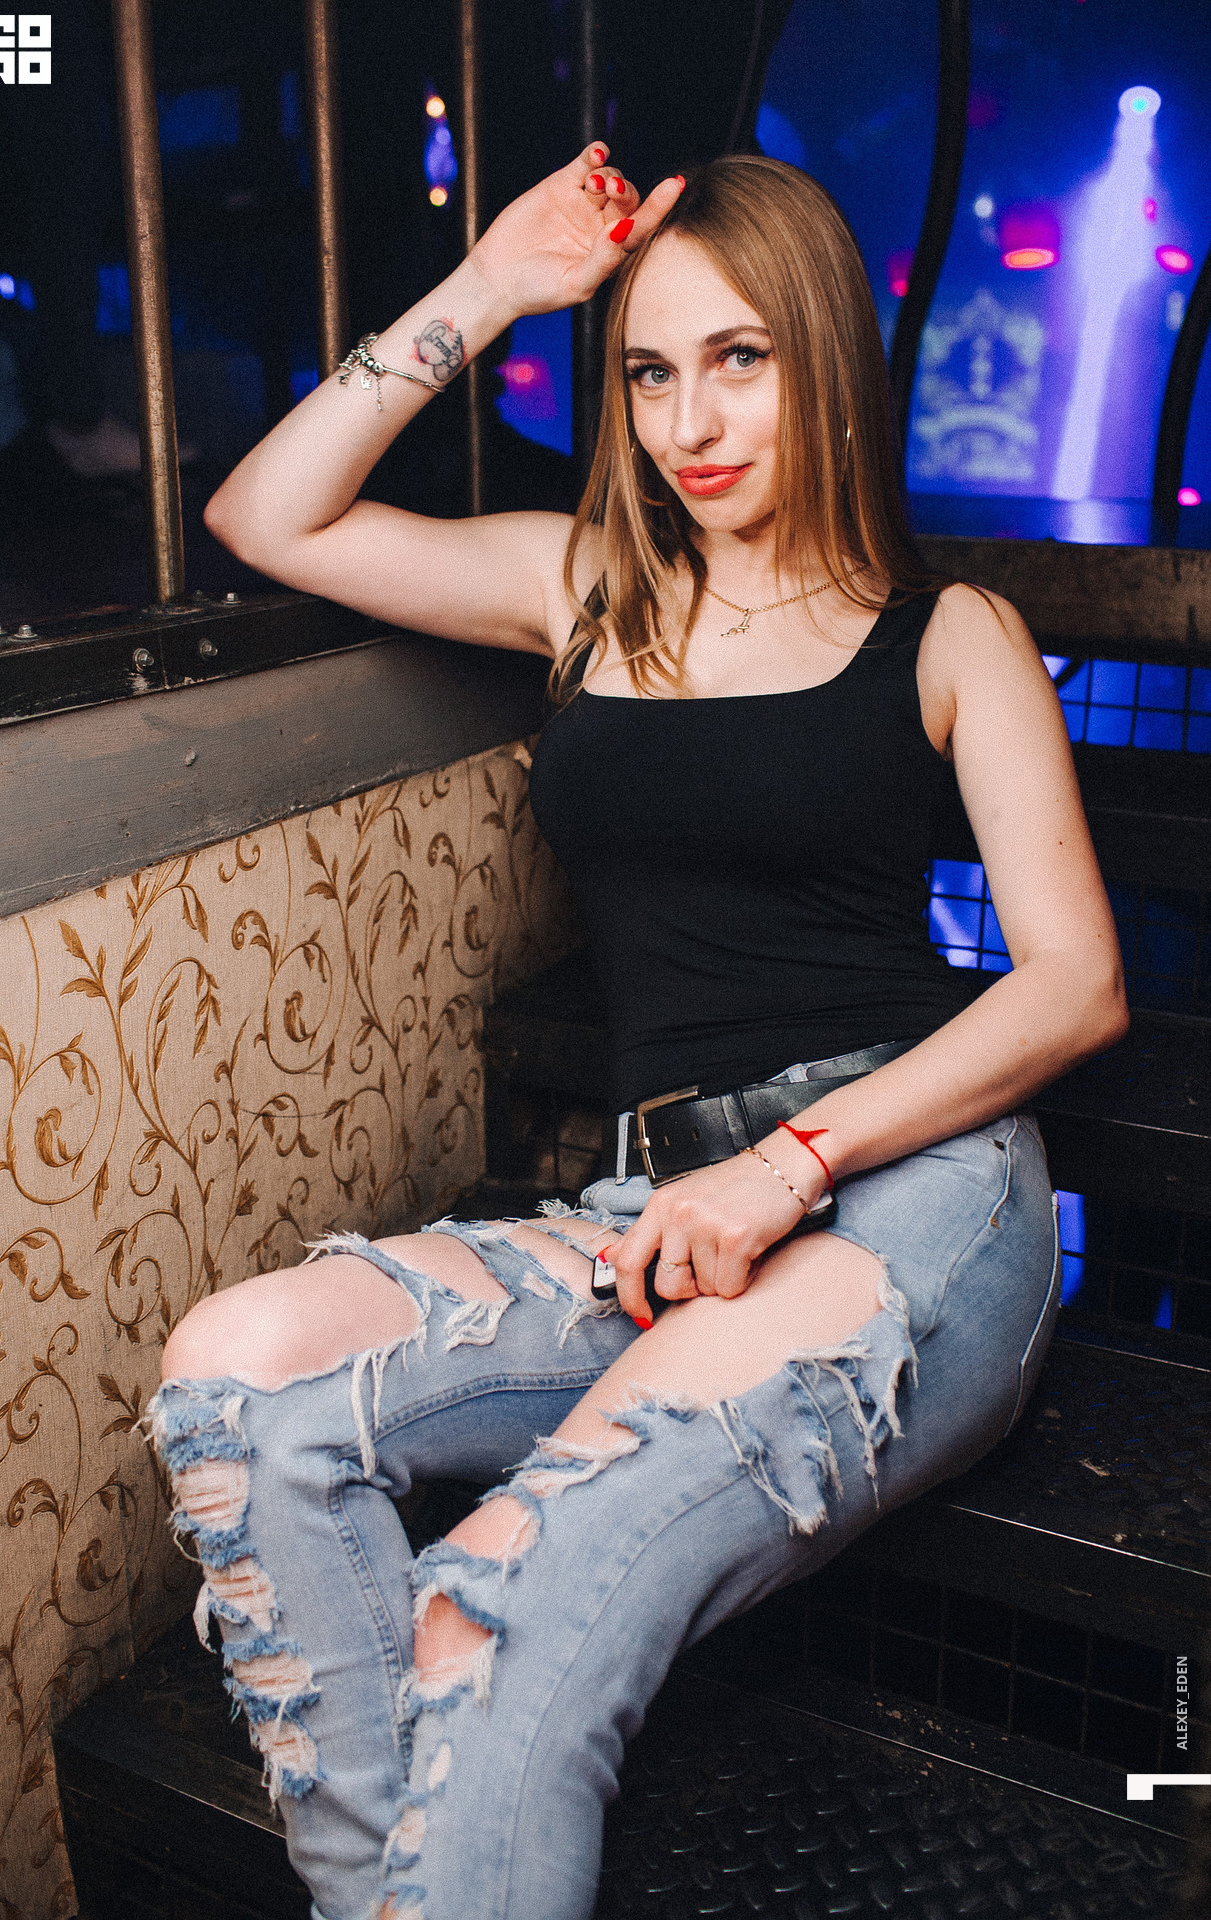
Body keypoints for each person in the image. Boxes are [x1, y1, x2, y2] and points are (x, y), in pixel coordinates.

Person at [145, 146, 1127, 1920]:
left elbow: (1074, 983)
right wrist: (495, 286)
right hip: (659, 1211)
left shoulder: (948, 635)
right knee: (239, 1377)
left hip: (908, 1186)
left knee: (482, 1607)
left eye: (741, 359)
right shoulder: (589, 585)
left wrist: (792, 1164)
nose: (692, 421)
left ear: (828, 357)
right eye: (652, 371)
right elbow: (269, 516)